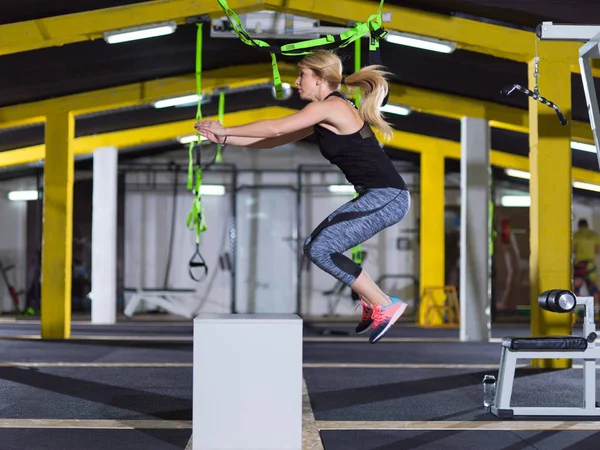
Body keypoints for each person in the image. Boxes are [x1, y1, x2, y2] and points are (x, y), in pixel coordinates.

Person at [194, 50, 411, 344]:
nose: (297, 82)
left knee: (320, 248)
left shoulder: (331, 107)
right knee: (317, 247)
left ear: (320, 79)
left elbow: (276, 126)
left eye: (302, 76)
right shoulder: (324, 113)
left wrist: (226, 128)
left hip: (387, 196)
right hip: (382, 196)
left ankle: (384, 304)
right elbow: (273, 140)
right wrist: (226, 139)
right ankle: (376, 302)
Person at [573, 218, 600, 310]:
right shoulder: (594, 235)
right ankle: (596, 309)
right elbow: (597, 250)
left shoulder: (576, 235)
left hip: (580, 265)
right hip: (590, 264)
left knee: (576, 288)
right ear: (587, 225)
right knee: (594, 287)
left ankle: (575, 309)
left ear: (579, 226)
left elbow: (572, 249)